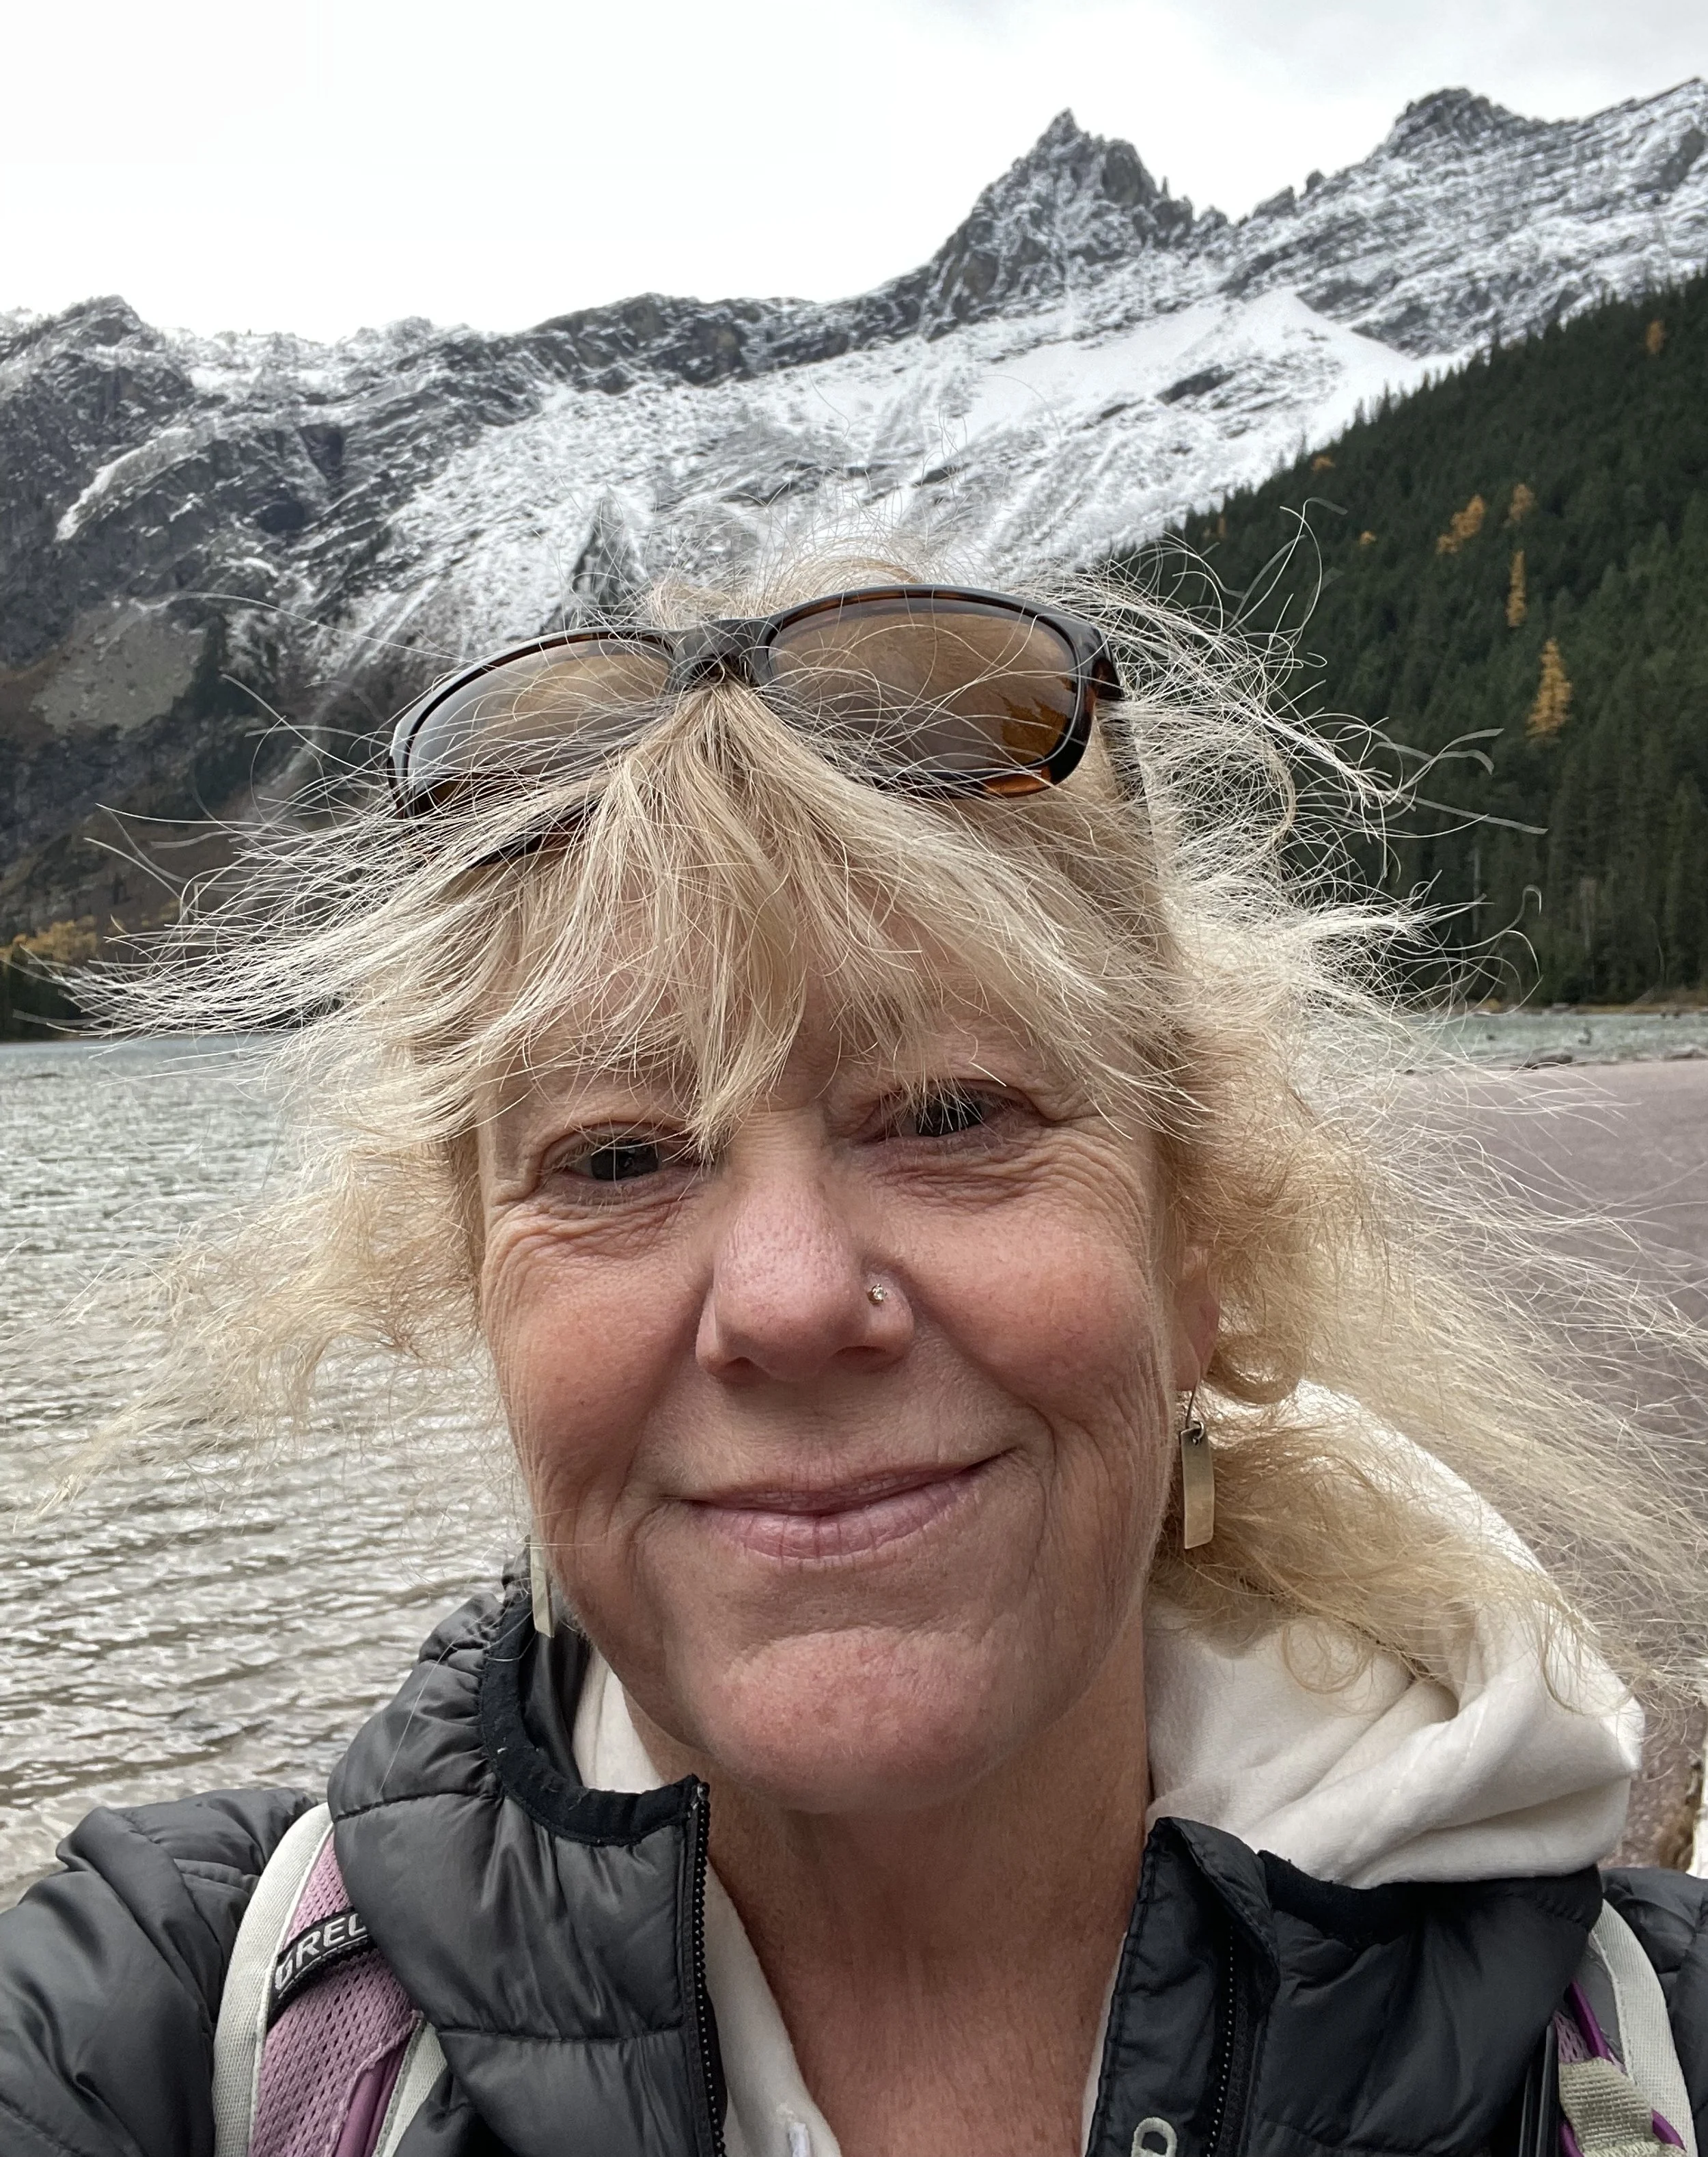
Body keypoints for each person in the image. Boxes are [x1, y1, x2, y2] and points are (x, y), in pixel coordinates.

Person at [1, 559, 1705, 2157]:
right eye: (614, 1157)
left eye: (954, 1113)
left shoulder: (1646, 2050)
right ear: (477, 1297)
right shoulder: (176, 2026)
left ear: (1196, 1253)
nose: (792, 1296)